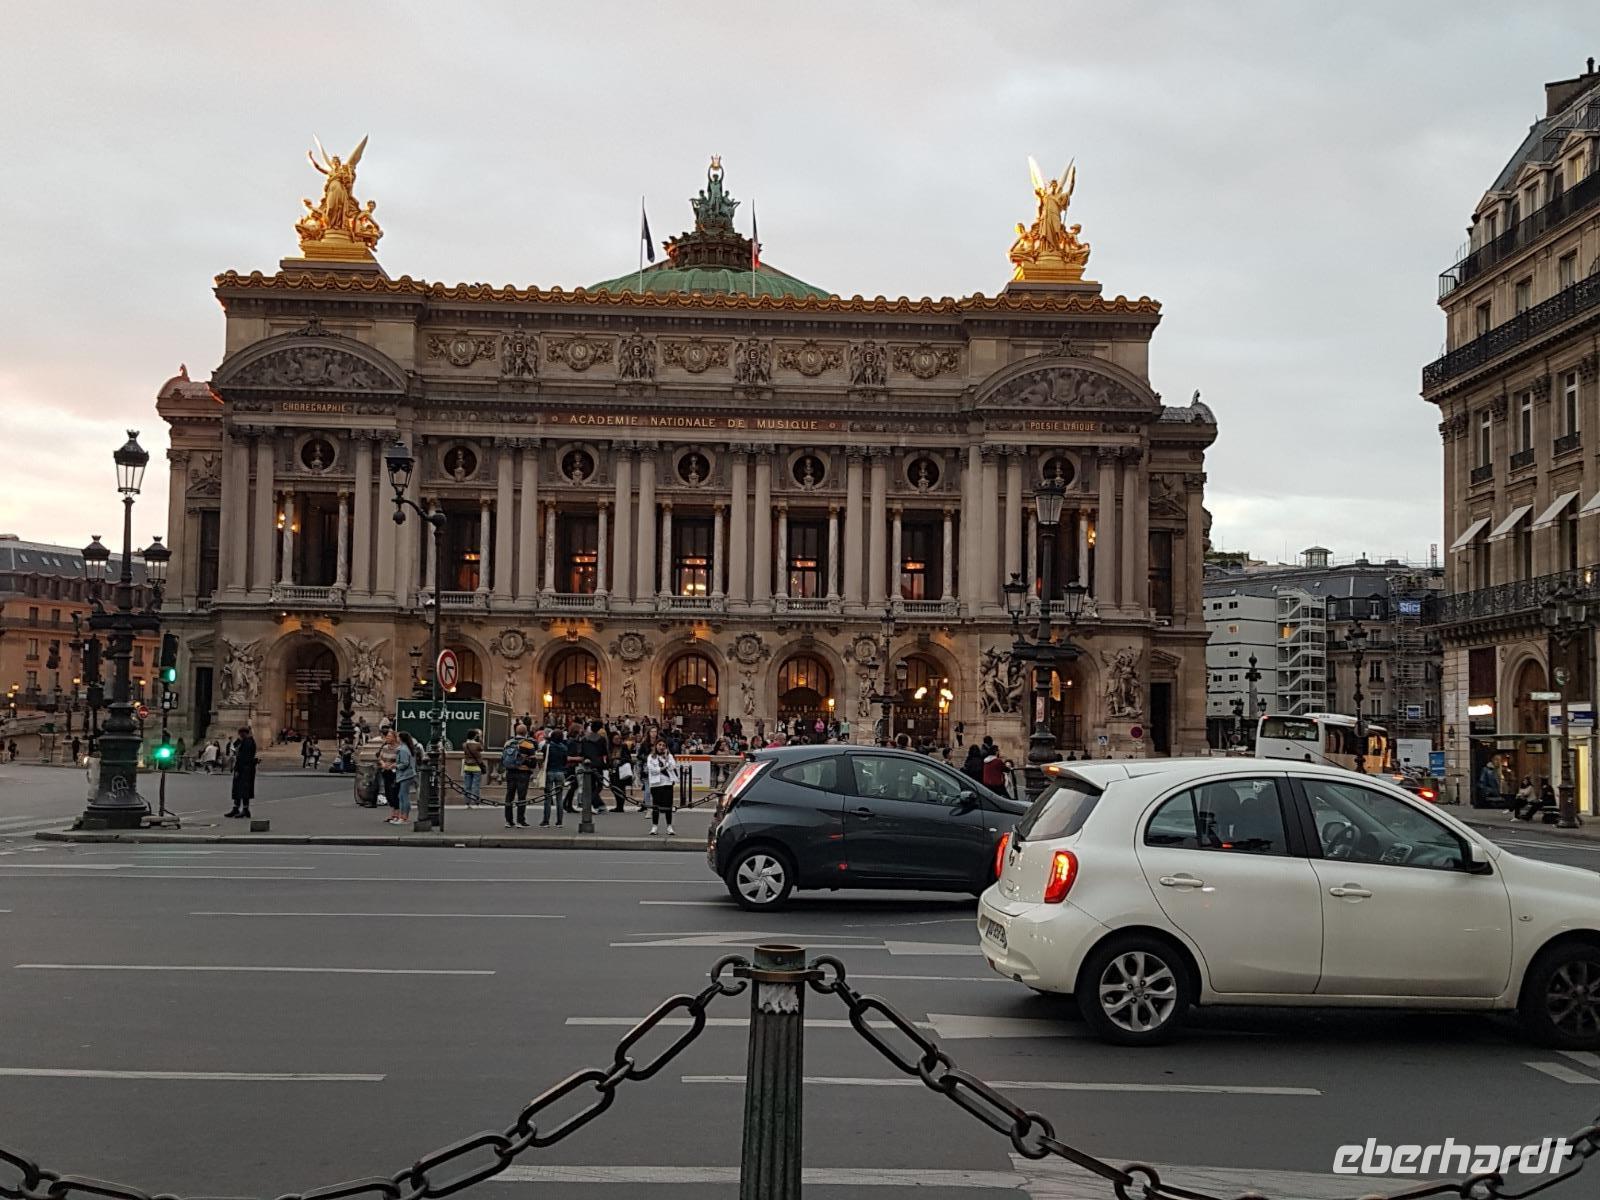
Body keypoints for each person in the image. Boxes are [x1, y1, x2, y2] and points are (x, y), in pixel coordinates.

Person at [501, 722, 538, 829]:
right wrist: (525, 760)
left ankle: (508, 821)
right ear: (526, 732)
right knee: (521, 797)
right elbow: (533, 763)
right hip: (523, 773)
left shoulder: (507, 743)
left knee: (509, 796)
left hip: (510, 772)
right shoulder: (528, 744)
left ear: (516, 732)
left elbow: (503, 758)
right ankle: (520, 821)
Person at [646, 737, 679, 835]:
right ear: (656, 746)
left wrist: (666, 758)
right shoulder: (651, 757)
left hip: (667, 783)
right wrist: (662, 768)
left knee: (668, 806)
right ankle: (654, 826)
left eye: (663, 745)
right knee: (656, 806)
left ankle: (669, 826)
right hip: (656, 784)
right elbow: (652, 769)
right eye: (659, 745)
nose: (661, 747)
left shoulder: (670, 756)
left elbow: (673, 766)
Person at [226, 726, 256, 819]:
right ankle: (236, 808)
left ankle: (245, 809)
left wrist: (238, 769)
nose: (239, 735)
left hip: (245, 769)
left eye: (240, 733)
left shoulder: (248, 742)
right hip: (244, 768)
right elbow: (235, 747)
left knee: (244, 789)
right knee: (238, 789)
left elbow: (242, 757)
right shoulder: (245, 741)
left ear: (244, 733)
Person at [542, 729, 569, 825]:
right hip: (560, 773)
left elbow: (544, 758)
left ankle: (546, 820)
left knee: (548, 798)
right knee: (559, 798)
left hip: (549, 772)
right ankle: (559, 821)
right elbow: (565, 761)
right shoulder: (564, 748)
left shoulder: (547, 746)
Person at [392, 732, 418, 825]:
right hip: (409, 774)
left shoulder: (403, 749)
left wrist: (396, 766)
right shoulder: (408, 748)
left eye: (398, 737)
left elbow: (404, 763)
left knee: (403, 796)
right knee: (403, 795)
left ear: (401, 738)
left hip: (405, 775)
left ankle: (404, 816)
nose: (397, 738)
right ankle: (404, 815)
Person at [376, 730, 401, 821]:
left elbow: (399, 760)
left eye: (390, 737)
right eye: (387, 737)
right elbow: (380, 758)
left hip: (394, 772)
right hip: (385, 771)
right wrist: (382, 763)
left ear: (394, 738)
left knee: (394, 792)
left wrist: (391, 765)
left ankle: (397, 814)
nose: (387, 738)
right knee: (388, 792)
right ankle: (393, 813)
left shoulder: (399, 749)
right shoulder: (385, 747)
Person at [461, 728, 486, 807]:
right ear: (474, 736)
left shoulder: (464, 745)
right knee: (476, 786)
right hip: (476, 767)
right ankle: (476, 803)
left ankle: (467, 803)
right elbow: (482, 748)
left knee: (467, 786)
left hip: (467, 767)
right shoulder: (477, 745)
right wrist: (480, 739)